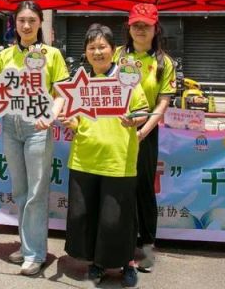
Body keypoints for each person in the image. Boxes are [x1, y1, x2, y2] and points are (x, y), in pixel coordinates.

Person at [60, 24, 149, 288]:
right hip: (84, 159)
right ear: (85, 52)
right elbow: (74, 119)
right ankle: (97, 263)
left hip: (118, 161)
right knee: (86, 215)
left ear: (112, 50)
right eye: (92, 48)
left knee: (117, 219)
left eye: (102, 47)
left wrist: (134, 120)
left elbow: (143, 110)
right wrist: (71, 124)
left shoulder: (127, 79)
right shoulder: (80, 83)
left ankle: (127, 263)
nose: (97, 52)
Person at [0, 1, 68, 275]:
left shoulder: (53, 54)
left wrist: (50, 116)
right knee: (20, 190)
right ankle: (27, 247)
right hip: (11, 126)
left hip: (37, 126)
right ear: (15, 23)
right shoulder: (5, 55)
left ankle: (35, 254)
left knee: (37, 192)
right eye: (22, 20)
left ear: (40, 24)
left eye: (32, 21)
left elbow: (61, 93)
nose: (26, 25)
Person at [114, 3, 176, 272]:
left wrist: (143, 131)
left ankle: (147, 247)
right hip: (115, 132)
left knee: (143, 191)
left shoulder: (164, 62)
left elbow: (162, 103)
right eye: (136, 24)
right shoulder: (115, 54)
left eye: (146, 25)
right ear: (128, 27)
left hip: (145, 135)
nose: (140, 29)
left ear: (155, 28)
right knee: (118, 190)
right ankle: (121, 247)